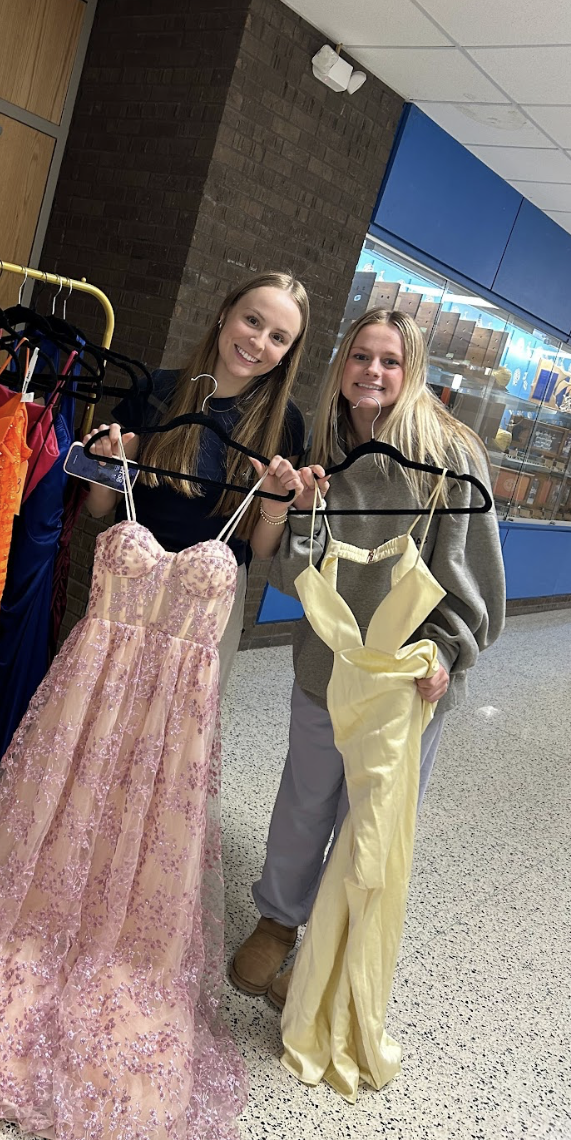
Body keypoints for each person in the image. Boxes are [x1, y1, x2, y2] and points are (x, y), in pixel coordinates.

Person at [230, 307, 506, 1003]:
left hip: (409, 680)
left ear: (413, 371)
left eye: (389, 361)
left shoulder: (450, 455)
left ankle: (327, 943)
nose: (372, 373)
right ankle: (278, 918)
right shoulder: (326, 445)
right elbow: (294, 577)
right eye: (360, 357)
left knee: (368, 819)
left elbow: (477, 578)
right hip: (327, 665)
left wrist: (447, 650)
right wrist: (304, 513)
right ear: (341, 366)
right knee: (305, 800)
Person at [82, 271, 310, 692]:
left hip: (212, 601)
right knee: (100, 719)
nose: (259, 343)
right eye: (253, 321)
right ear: (225, 314)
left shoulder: (285, 424)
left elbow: (261, 549)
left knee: (175, 735)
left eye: (279, 337)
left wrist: (277, 503)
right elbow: (98, 508)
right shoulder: (156, 391)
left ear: (288, 353)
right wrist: (108, 463)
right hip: (129, 588)